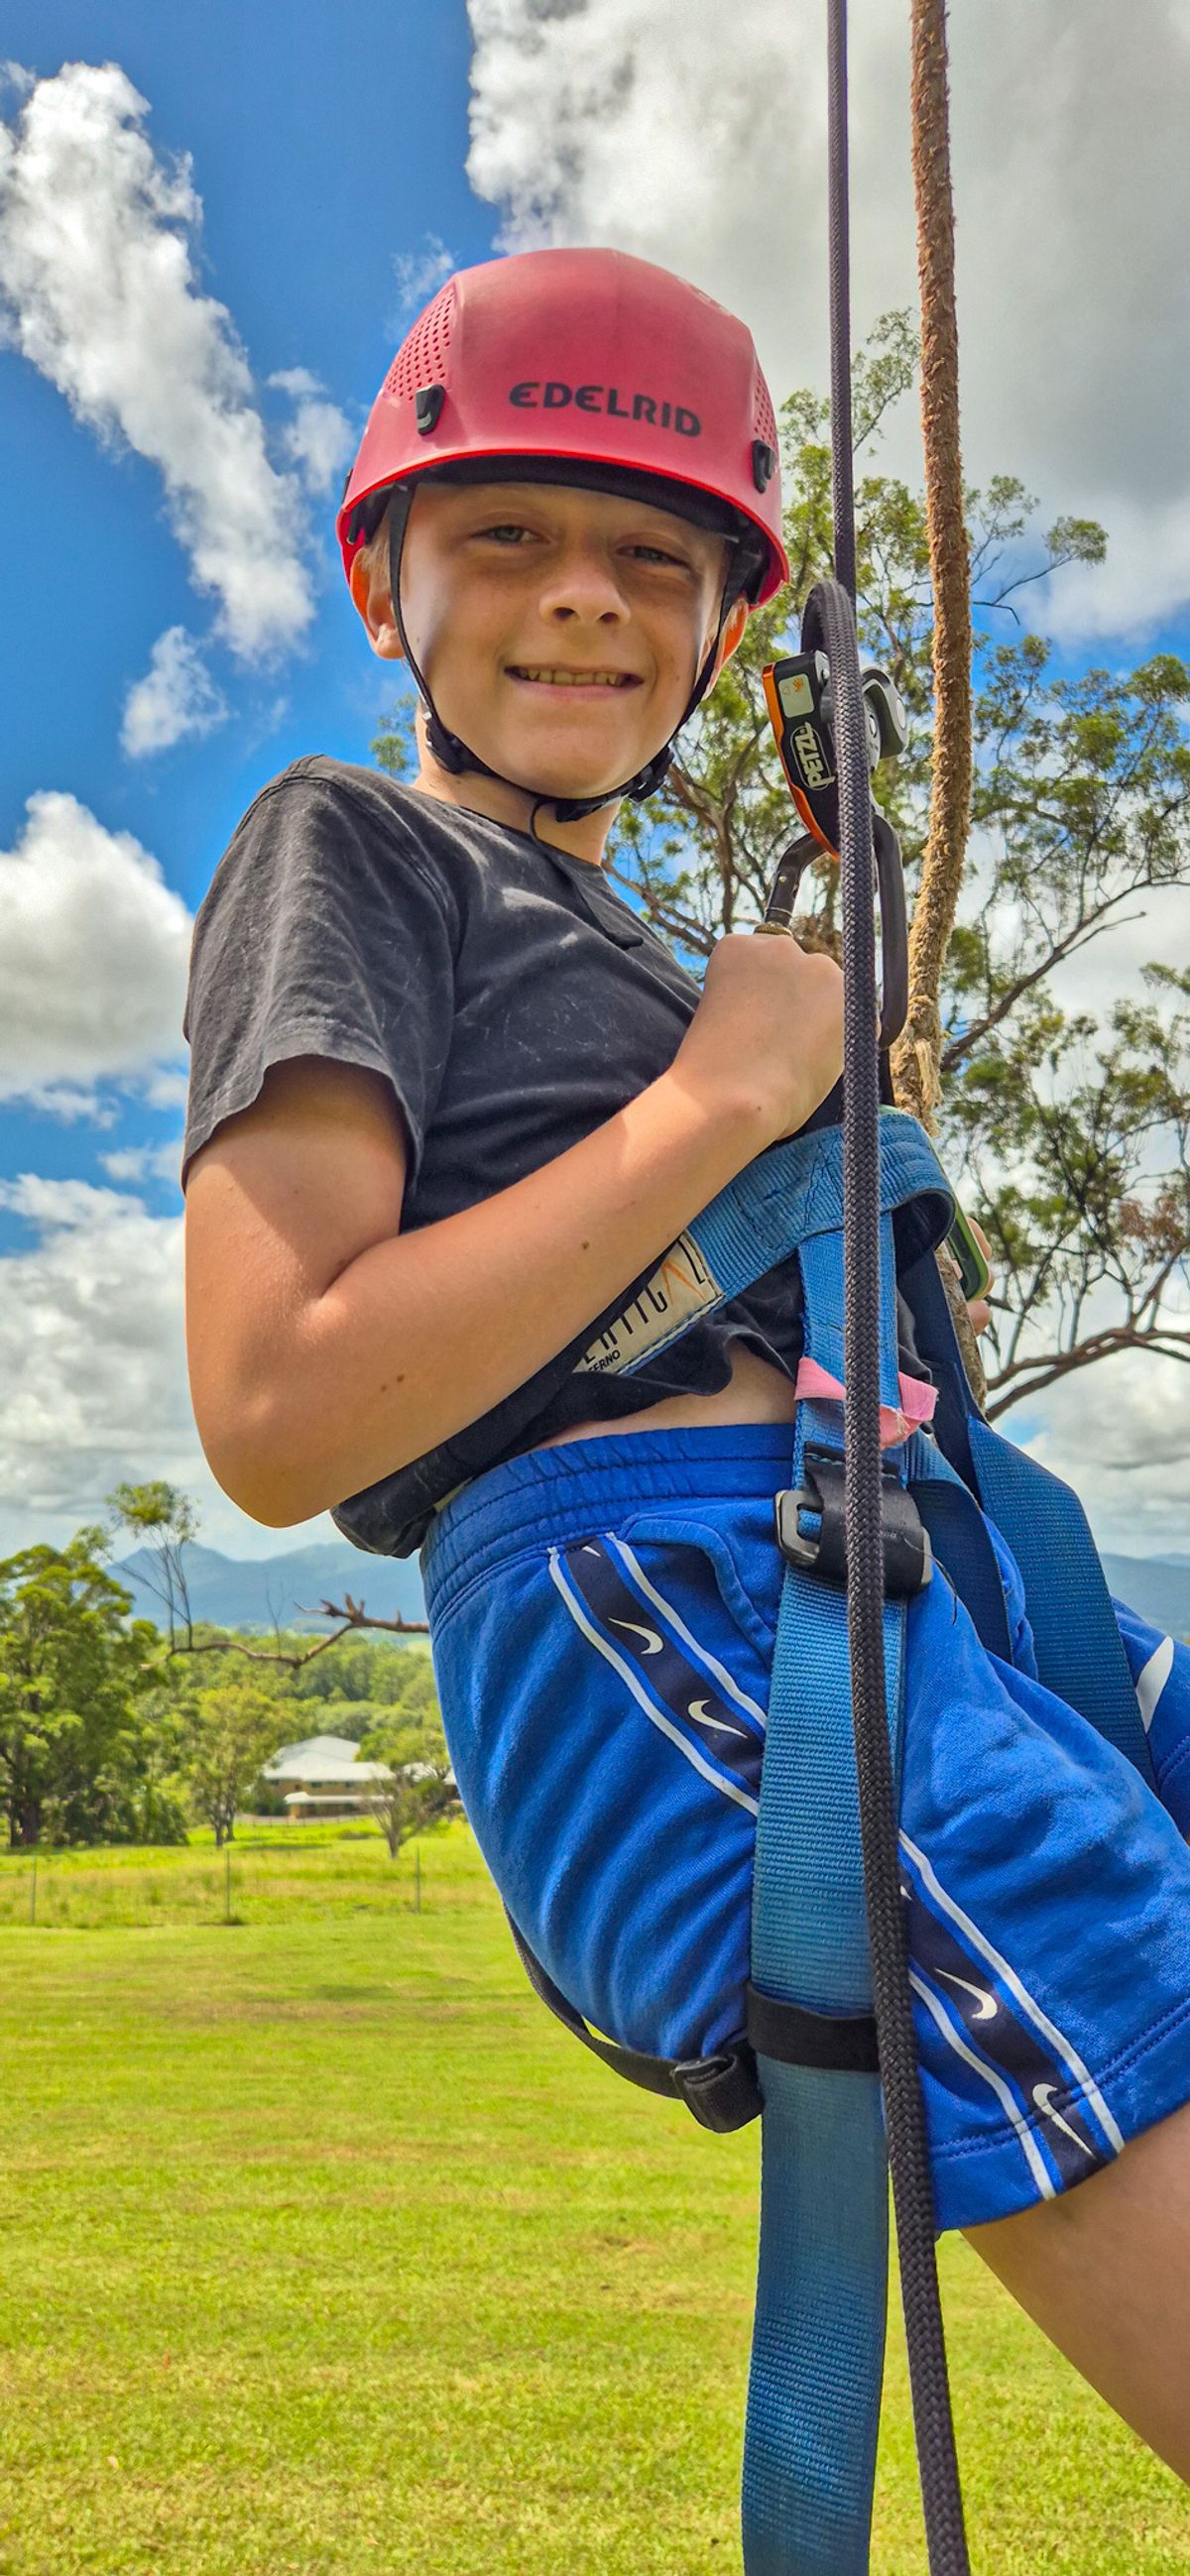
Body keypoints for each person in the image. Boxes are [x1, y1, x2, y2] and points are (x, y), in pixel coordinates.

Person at [181, 248, 1190, 2481]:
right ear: (381, 583)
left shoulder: (657, 951)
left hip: (915, 1580)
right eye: (506, 533)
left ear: (729, 627)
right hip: (667, 1603)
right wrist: (724, 1103)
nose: (584, 597)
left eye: (656, 557)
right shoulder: (346, 848)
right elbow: (274, 1407)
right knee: (1094, 1968)